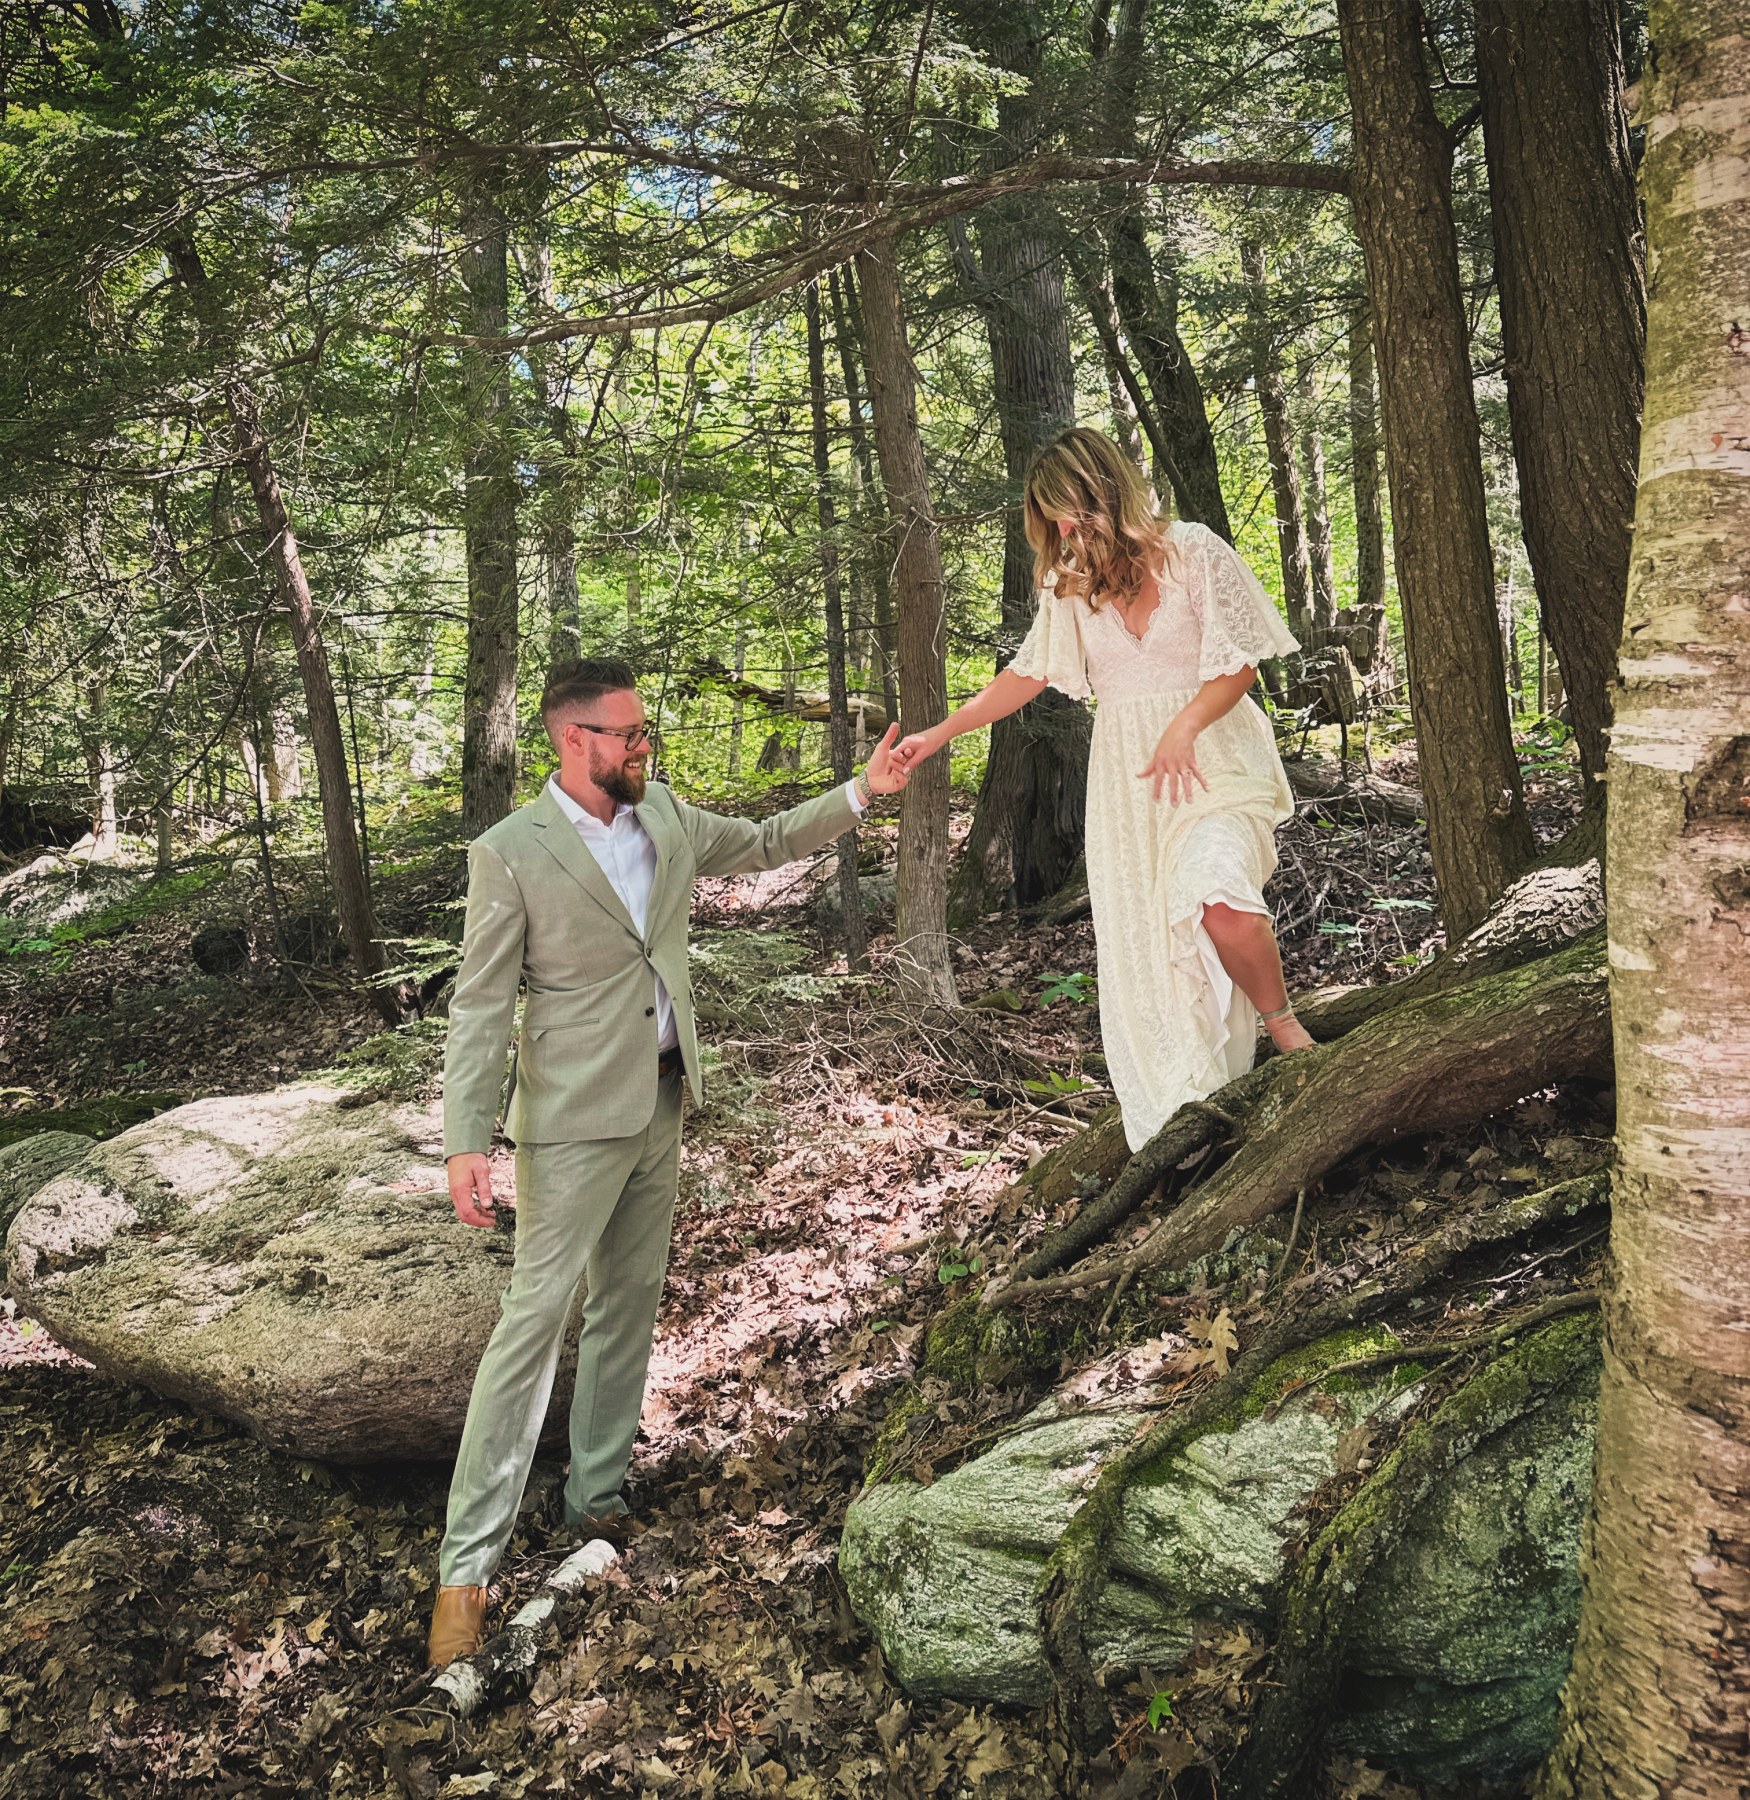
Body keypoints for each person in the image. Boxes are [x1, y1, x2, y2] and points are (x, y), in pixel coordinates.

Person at [429, 656, 909, 1667]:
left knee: (628, 1306)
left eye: (647, 732)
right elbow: (480, 1003)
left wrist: (867, 791)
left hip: (660, 1098)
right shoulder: (510, 853)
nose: (645, 747)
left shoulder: (665, 815)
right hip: (565, 1122)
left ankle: (593, 1501)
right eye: (628, 734)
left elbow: (772, 840)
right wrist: (468, 1138)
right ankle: (466, 1571)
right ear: (573, 741)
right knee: (533, 1323)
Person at [892, 425, 1314, 1155]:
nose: (1064, 530)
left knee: (1219, 897)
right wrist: (939, 733)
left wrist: (1183, 726)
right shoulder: (1070, 587)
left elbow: (1240, 664)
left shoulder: (1192, 550)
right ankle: (1196, 1097)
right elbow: (1026, 674)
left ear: (1108, 492)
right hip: (1131, 784)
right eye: (1051, 518)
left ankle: (1287, 1030)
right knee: (1155, 945)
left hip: (1213, 757)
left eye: (1073, 510)